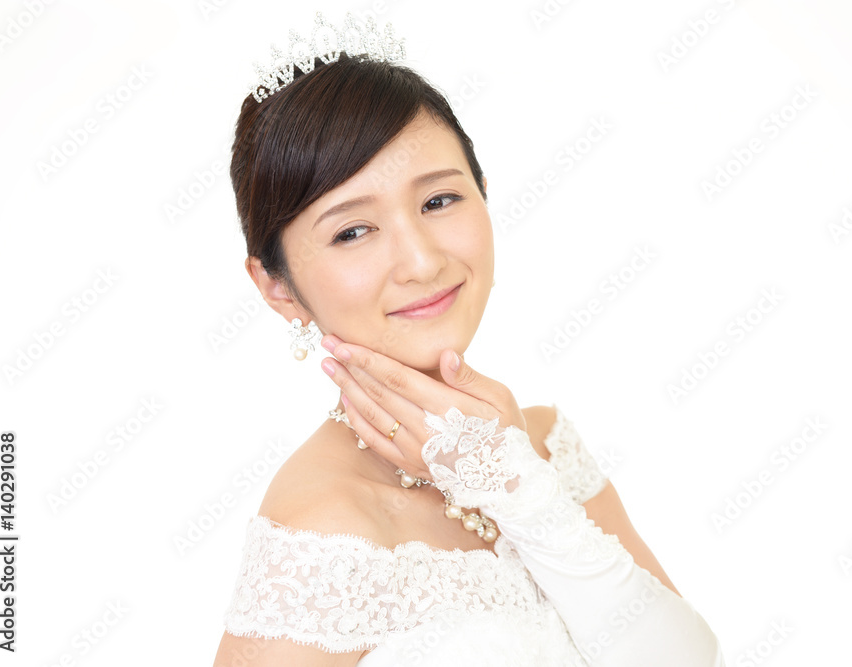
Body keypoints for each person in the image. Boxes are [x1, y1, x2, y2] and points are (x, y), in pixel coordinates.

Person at [213, 12, 725, 666]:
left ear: (483, 193)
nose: (421, 261)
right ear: (276, 286)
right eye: (352, 231)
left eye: (438, 201)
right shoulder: (321, 531)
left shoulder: (540, 446)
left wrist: (517, 485)